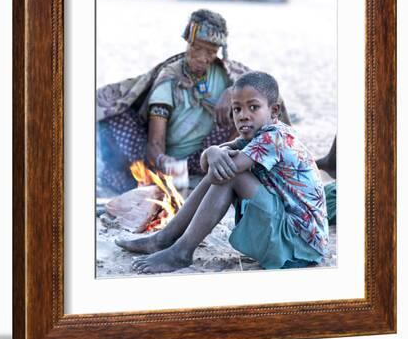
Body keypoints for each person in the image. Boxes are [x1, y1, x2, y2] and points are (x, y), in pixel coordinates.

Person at [116, 71, 329, 273]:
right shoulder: (254, 136)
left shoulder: (274, 137)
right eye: (237, 109)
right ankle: (165, 239)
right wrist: (212, 151)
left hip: (300, 245)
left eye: (253, 107)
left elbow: (227, 169)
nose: (243, 116)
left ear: (274, 111)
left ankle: (181, 250)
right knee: (223, 170)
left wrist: (214, 153)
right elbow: (207, 165)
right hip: (290, 231)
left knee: (229, 174)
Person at [97, 9, 290, 193]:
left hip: (208, 156)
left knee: (251, 108)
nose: (201, 57)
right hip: (167, 160)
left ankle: (227, 168)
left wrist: (233, 92)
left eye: (210, 52)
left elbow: (266, 93)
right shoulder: (170, 79)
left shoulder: (227, 74)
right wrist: (170, 167)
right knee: (116, 119)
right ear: (188, 42)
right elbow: (155, 145)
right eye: (196, 48)